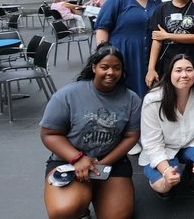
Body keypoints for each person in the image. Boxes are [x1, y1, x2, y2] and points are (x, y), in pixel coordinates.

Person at [40, 44, 141, 219]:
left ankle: (97, 193)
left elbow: (131, 136)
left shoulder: (131, 99)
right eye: (104, 67)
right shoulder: (67, 95)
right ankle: (81, 208)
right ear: (94, 67)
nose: (111, 72)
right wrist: (77, 158)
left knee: (118, 216)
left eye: (117, 68)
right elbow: (49, 134)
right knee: (64, 211)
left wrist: (102, 164)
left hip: (112, 162)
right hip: (69, 160)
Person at [139, 54, 194, 198]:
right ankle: (168, 178)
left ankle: (192, 170)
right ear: (170, 73)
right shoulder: (153, 100)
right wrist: (165, 171)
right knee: (164, 185)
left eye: (189, 70)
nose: (184, 75)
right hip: (165, 147)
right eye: (178, 70)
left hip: (191, 142)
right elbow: (152, 143)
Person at [95, 0, 161, 99]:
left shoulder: (155, 1)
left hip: (149, 54)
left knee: (147, 89)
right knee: (121, 88)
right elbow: (102, 27)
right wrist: (103, 53)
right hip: (123, 51)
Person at [146, 0, 194, 88]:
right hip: (167, 61)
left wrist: (167, 35)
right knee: (168, 95)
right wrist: (151, 69)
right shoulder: (162, 9)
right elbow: (157, 40)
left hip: (191, 60)